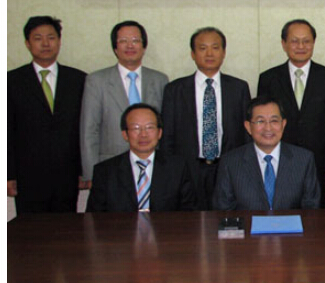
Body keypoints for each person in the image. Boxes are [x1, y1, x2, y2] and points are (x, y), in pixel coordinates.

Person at [212, 96, 320, 283]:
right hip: (245, 245)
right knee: (236, 268)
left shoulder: (304, 158)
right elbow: (223, 210)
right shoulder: (231, 161)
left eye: (274, 120)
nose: (268, 127)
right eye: (260, 121)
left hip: (292, 241)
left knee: (299, 265)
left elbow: (311, 208)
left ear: (284, 124)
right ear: (248, 126)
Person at [257, 19, 325, 208]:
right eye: (295, 41)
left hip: (319, 162)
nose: (301, 46)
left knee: (318, 216)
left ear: (313, 43)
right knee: (281, 211)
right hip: (279, 160)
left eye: (306, 41)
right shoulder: (268, 78)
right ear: (284, 44)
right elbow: (261, 124)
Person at [161, 27, 251, 209]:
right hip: (188, 168)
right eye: (202, 48)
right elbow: (167, 135)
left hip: (228, 166)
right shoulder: (175, 90)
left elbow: (247, 133)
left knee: (227, 217)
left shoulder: (238, 88)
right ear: (193, 54)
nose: (209, 53)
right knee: (190, 219)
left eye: (215, 48)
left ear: (223, 53)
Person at [8, 16, 87, 214]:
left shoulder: (79, 80)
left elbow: (85, 129)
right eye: (38, 38)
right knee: (30, 229)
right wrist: (8, 174)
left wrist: (83, 169)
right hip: (28, 175)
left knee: (66, 228)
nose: (45, 44)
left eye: (51, 38)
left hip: (67, 174)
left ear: (59, 41)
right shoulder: (11, 81)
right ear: (27, 43)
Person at [80, 21, 169, 186]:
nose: (130, 45)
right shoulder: (96, 81)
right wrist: (91, 174)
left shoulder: (159, 80)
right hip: (110, 166)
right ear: (115, 48)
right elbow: (89, 130)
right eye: (123, 41)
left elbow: (165, 128)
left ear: (144, 46)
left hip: (152, 165)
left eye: (135, 40)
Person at [87, 103, 197, 212]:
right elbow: (94, 217)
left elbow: (189, 212)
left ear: (159, 132)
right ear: (125, 134)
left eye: (149, 127)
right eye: (136, 128)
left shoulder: (177, 168)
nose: (143, 134)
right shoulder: (105, 171)